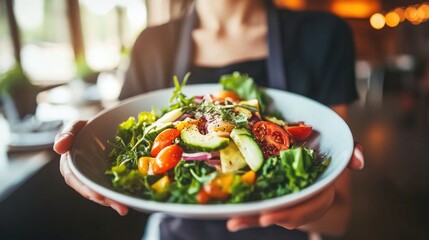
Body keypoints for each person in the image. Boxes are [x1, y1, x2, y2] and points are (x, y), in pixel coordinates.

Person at [54, 0, 365, 239]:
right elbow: (123, 151)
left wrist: (312, 206)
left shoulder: (324, 36)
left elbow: (339, 217)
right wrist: (89, 151)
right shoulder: (152, 45)